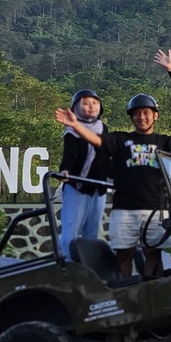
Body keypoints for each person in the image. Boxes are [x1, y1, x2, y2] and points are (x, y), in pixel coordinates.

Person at [56, 94, 171, 278]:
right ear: (131, 117)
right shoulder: (121, 140)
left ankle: (153, 296)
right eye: (137, 114)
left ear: (155, 115)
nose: (142, 117)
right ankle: (124, 298)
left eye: (146, 113)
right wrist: (75, 125)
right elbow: (97, 140)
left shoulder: (164, 141)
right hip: (124, 209)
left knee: (153, 255)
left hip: (155, 210)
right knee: (123, 256)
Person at [58, 89, 112, 260]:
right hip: (77, 185)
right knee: (70, 230)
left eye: (94, 103)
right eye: (86, 103)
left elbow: (106, 154)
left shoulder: (103, 128)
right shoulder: (71, 130)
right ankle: (68, 264)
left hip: (99, 186)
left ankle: (89, 267)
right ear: (76, 108)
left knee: (92, 230)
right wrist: (65, 170)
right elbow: (70, 154)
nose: (91, 107)